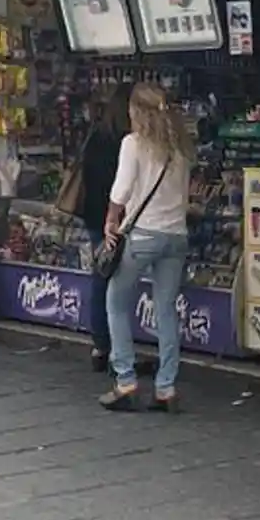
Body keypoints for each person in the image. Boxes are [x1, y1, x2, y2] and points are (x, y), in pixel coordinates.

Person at [99, 82, 194, 412]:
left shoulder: (133, 144)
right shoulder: (180, 149)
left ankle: (125, 380)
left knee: (116, 303)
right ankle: (166, 387)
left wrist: (111, 221)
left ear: (137, 112)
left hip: (143, 236)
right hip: (176, 237)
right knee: (166, 310)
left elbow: (121, 189)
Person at [79, 84, 131, 373]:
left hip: (96, 217)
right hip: (115, 219)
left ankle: (101, 345)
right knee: (115, 284)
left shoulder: (96, 137)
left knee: (101, 278)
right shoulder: (126, 142)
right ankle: (115, 351)